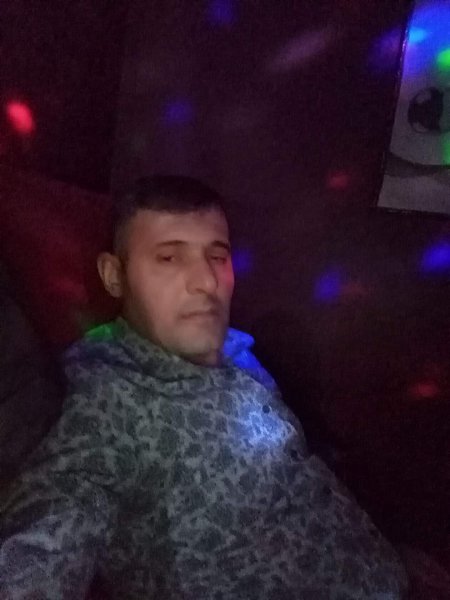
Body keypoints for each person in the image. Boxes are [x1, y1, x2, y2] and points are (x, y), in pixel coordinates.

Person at [0, 176, 407, 599]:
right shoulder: (106, 401)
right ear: (114, 275)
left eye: (218, 256)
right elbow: (49, 533)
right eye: (169, 258)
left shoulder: (237, 349)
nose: (208, 282)